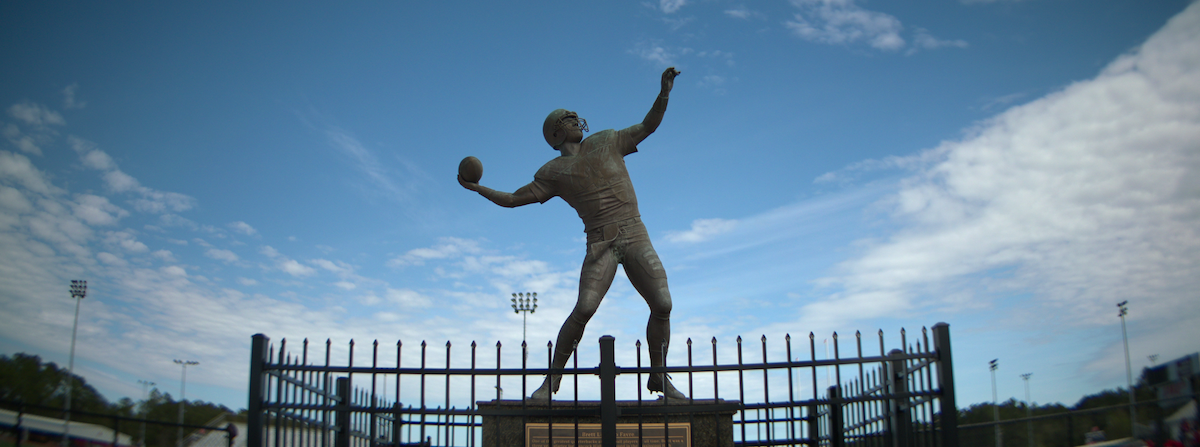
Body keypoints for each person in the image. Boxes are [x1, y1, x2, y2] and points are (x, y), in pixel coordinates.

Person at [459, 67, 685, 400]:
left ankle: (659, 376)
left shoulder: (608, 140)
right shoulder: (553, 172)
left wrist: (664, 92)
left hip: (634, 231)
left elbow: (648, 124)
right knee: (584, 308)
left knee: (663, 303)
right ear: (554, 134)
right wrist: (478, 188)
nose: (576, 119)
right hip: (601, 243)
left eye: (575, 116)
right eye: (567, 119)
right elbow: (512, 200)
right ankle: (551, 382)